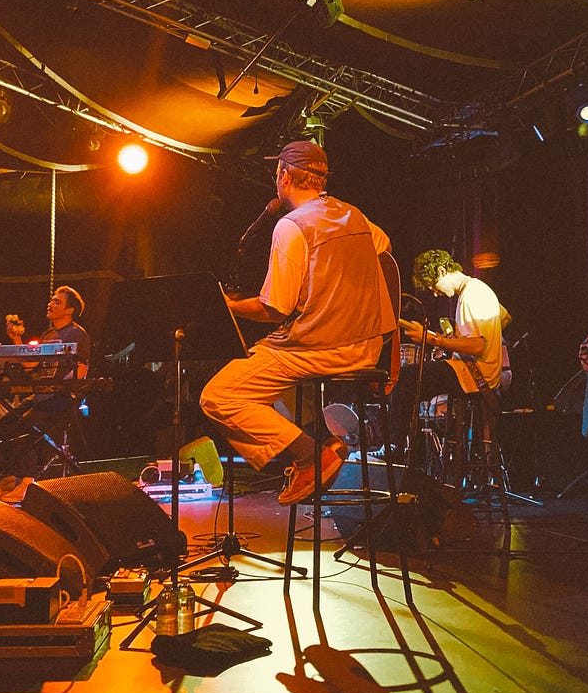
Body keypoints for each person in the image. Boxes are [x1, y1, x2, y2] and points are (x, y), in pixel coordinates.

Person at [199, 140, 394, 505]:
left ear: (285, 177)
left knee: (219, 395)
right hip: (368, 346)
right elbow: (384, 251)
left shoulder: (291, 227)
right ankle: (325, 441)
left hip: (322, 348)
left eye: (277, 175)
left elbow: (276, 308)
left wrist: (230, 307)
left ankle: (310, 455)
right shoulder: (356, 216)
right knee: (271, 374)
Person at [388, 249, 506, 456]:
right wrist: (455, 340)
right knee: (412, 382)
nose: (435, 293)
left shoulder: (473, 294)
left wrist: (433, 339)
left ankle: (395, 449)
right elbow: (504, 318)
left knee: (405, 378)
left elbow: (478, 346)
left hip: (474, 375)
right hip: (474, 370)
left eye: (433, 286)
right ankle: (407, 451)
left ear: (442, 271)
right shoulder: (479, 290)